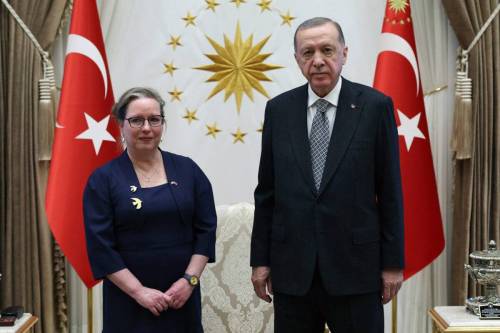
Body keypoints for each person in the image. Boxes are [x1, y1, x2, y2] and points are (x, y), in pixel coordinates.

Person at [250, 17, 404, 333]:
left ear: (344, 53)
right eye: (308, 53)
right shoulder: (279, 110)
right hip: (293, 270)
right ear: (297, 60)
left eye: (327, 50)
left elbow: (390, 192)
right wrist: (260, 260)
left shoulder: (375, 107)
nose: (318, 61)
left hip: (357, 269)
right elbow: (267, 192)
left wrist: (392, 264)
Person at [83, 87, 216, 332]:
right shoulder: (103, 179)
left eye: (154, 119)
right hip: (128, 302)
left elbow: (206, 230)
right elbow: (100, 246)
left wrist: (189, 281)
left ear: (162, 124)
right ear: (121, 124)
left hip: (181, 297)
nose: (147, 128)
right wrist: (139, 292)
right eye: (136, 120)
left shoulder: (189, 170)